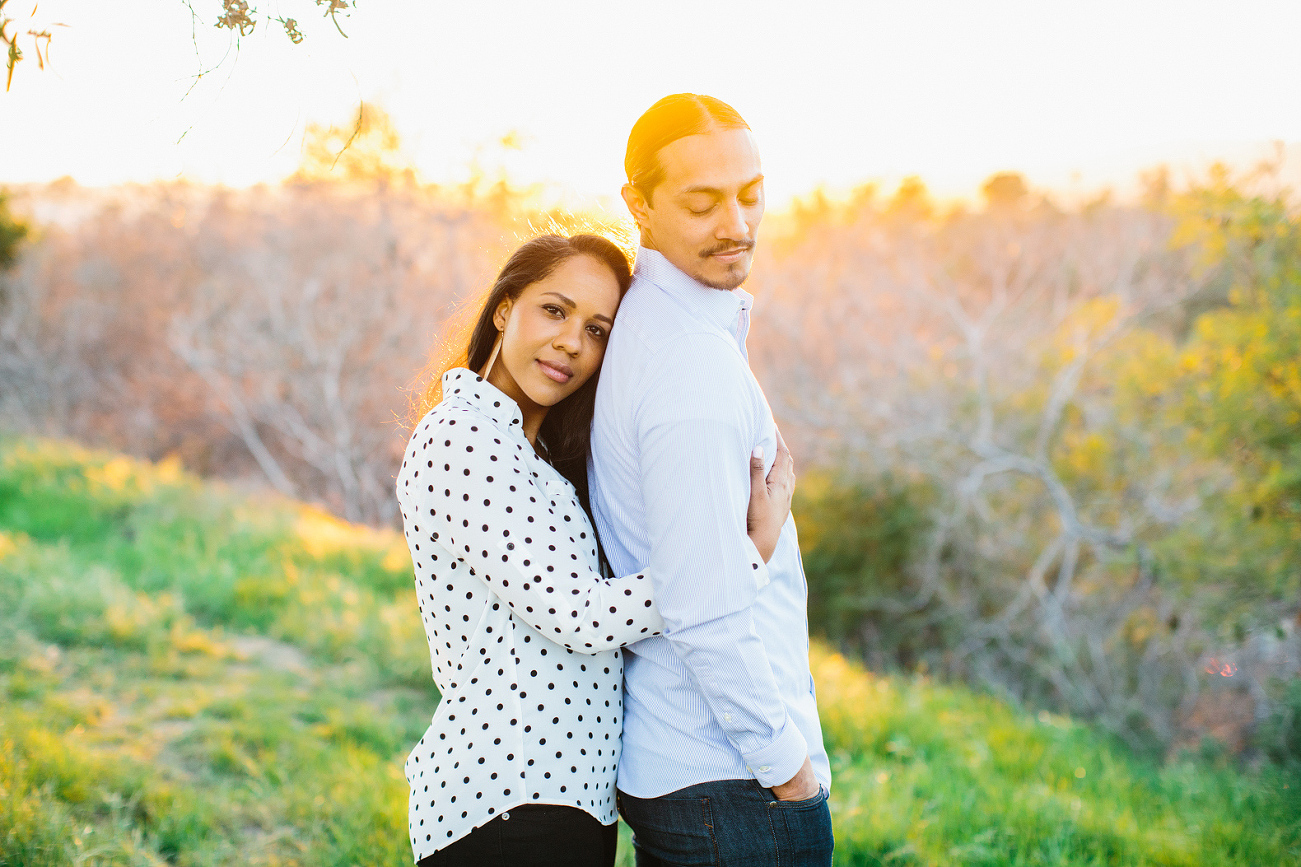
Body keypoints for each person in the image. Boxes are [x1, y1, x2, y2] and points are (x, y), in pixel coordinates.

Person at [396, 233, 795, 867]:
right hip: (505, 802)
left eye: (598, 330)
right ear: (505, 309)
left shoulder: (538, 459)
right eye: (554, 310)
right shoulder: (460, 437)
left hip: (565, 805)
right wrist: (744, 554)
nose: (572, 343)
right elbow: (580, 615)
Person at [590, 94, 834, 866]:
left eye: (750, 194)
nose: (736, 223)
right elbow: (700, 604)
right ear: (639, 203)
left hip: (701, 775)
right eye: (701, 202)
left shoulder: (664, 326)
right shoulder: (687, 361)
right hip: (731, 781)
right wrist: (787, 769)